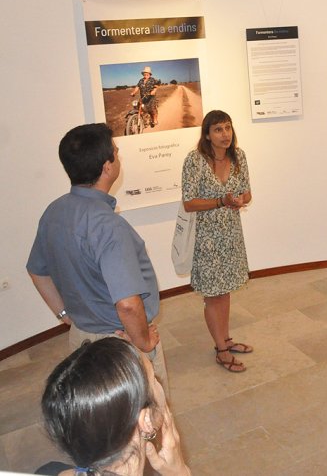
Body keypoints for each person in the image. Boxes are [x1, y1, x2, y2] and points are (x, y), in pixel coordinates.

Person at [26, 123, 168, 392]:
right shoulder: (108, 226)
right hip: (120, 345)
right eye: (116, 151)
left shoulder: (53, 212)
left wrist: (65, 314)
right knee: (150, 424)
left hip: (80, 340)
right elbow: (127, 304)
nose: (119, 156)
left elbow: (37, 271)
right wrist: (143, 343)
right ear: (107, 167)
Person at [38, 338, 190, 476]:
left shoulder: (48, 471)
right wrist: (181, 473)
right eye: (154, 378)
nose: (159, 384)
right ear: (146, 421)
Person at [181, 110, 253, 372]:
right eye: (218, 130)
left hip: (231, 234)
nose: (225, 135)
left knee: (226, 292)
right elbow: (189, 203)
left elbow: (247, 193)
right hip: (206, 238)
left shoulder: (238, 156)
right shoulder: (195, 160)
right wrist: (221, 201)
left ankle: (226, 338)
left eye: (228, 128)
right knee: (213, 295)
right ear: (207, 134)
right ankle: (221, 349)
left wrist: (239, 200)